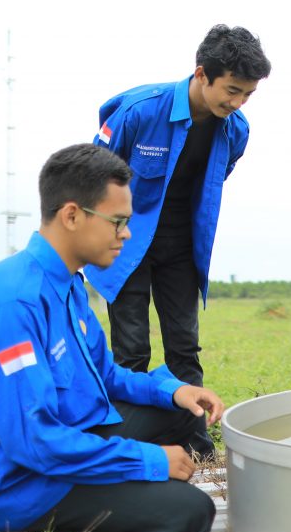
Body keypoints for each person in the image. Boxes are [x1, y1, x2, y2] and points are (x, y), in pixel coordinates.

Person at [0, 144, 225, 532]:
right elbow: (32, 441)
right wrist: (149, 461)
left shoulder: (67, 284)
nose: (126, 234)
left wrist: (175, 389)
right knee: (191, 515)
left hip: (58, 434)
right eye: (119, 222)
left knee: (185, 416)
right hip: (13, 478)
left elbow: (105, 374)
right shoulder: (13, 303)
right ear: (72, 215)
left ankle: (116, 470)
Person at [86, 25, 271, 458]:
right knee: (130, 349)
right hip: (127, 244)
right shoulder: (138, 112)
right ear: (202, 73)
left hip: (183, 247)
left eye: (247, 95)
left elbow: (210, 183)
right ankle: (133, 445)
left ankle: (196, 443)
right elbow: (93, 176)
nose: (237, 103)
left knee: (184, 347)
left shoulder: (235, 130)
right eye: (231, 90)